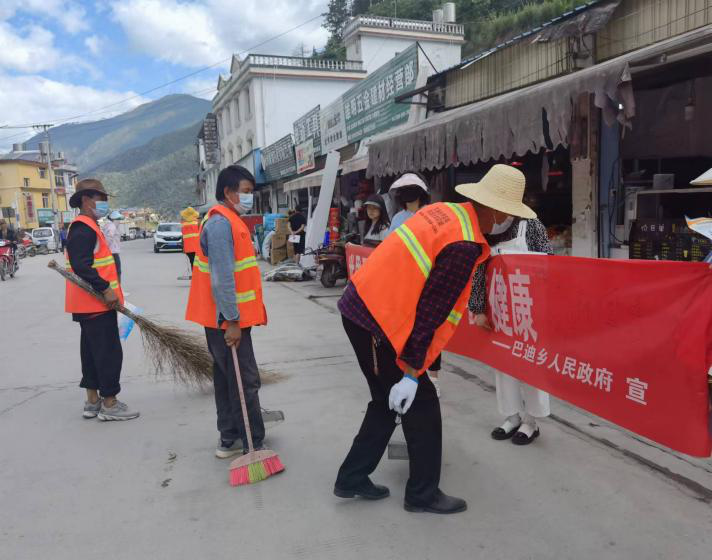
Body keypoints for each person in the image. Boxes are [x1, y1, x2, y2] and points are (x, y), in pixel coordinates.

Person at [334, 191, 490, 515]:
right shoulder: (463, 244)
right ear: (495, 211)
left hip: (364, 309)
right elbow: (430, 311)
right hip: (377, 321)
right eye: (509, 215)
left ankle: (352, 477)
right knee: (423, 404)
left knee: (385, 401)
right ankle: (422, 494)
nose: (507, 222)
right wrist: (412, 371)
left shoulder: (445, 213)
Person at [465, 164, 553, 445]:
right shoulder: (485, 228)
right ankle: (512, 416)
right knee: (503, 364)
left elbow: (550, 269)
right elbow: (479, 270)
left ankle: (531, 421)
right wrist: (478, 309)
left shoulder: (532, 227)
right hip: (499, 310)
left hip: (528, 311)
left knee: (530, 364)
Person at [186, 165, 269, 459]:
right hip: (227, 320)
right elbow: (222, 279)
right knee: (245, 381)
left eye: (251, 192)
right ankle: (252, 443)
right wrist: (232, 320)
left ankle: (230, 437)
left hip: (223, 317)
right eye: (245, 192)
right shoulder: (221, 225)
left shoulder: (229, 220)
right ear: (228, 192)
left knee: (226, 379)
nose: (249, 197)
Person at [65, 179, 139, 421]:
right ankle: (110, 403)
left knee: (91, 352)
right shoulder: (84, 228)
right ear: (86, 200)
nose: (105, 203)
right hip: (96, 302)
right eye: (102, 199)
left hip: (88, 303)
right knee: (108, 353)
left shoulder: (87, 226)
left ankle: (92, 401)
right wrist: (106, 289)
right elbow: (81, 265)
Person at [386, 173, 443, 395]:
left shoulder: (431, 215)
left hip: (429, 279)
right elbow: (391, 247)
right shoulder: (397, 218)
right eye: (403, 191)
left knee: (430, 327)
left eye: (411, 190)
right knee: (408, 329)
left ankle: (434, 377)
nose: (406, 195)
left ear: (420, 193)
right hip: (405, 280)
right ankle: (410, 373)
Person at [101, 211, 123, 282]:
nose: (119, 221)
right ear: (114, 219)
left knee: (114, 272)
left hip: (111, 252)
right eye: (118, 219)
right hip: (113, 253)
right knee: (117, 272)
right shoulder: (112, 226)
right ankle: (118, 286)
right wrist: (106, 247)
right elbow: (109, 238)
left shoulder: (109, 225)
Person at [180, 206, 200, 271]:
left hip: (188, 248)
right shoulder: (197, 224)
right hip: (197, 247)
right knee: (197, 263)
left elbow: (183, 237)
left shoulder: (183, 225)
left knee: (192, 261)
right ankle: (196, 274)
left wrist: (183, 248)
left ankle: (194, 273)